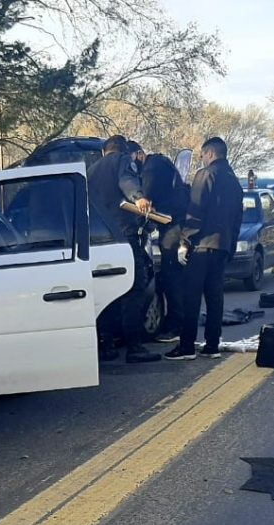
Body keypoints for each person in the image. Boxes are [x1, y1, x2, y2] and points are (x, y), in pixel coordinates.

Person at [164, 137, 243, 360]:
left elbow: (195, 211)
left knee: (192, 296)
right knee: (215, 297)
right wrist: (231, 245)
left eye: (202, 156)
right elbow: (238, 218)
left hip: (202, 245)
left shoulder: (206, 174)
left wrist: (185, 240)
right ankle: (212, 345)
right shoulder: (234, 181)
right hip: (223, 246)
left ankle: (187, 346)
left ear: (209, 154)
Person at [86, 135, 160, 363]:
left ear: (103, 151)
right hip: (124, 235)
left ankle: (106, 344)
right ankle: (134, 346)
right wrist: (138, 198)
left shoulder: (89, 171)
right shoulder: (122, 160)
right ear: (123, 151)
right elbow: (127, 180)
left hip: (98, 238)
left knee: (107, 289)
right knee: (133, 287)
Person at [131, 142, 191, 343]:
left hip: (172, 225)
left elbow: (145, 201)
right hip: (175, 223)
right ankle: (176, 322)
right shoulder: (162, 163)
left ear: (140, 154)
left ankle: (176, 325)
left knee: (170, 275)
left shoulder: (151, 168)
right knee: (170, 274)